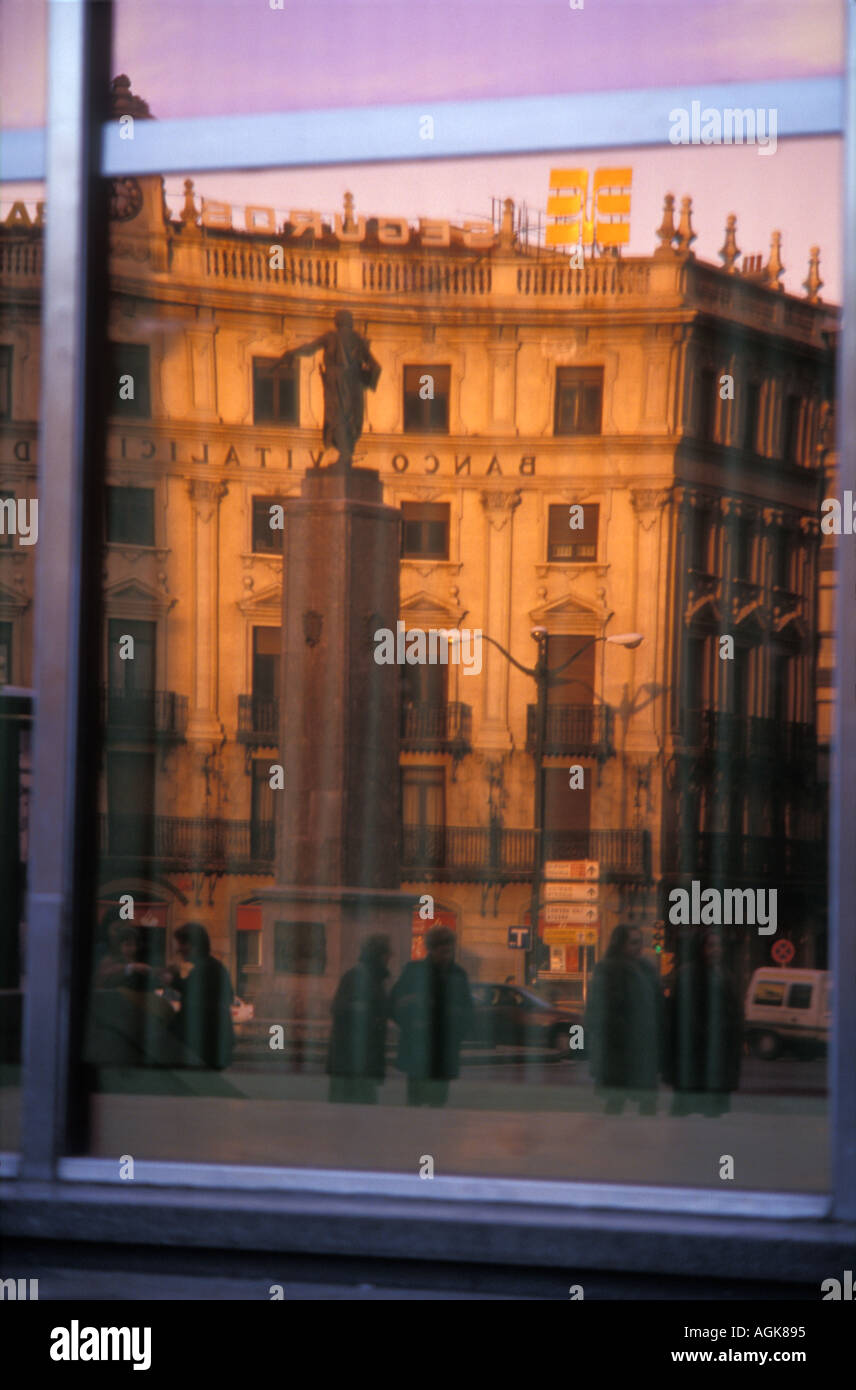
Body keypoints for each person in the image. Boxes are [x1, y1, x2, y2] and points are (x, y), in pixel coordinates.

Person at [269, 310, 381, 469]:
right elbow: (376, 367)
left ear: (338, 322)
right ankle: (346, 455)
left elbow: (310, 348)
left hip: (335, 382)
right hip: (354, 385)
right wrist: (364, 380)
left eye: (335, 320)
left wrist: (291, 353)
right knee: (349, 419)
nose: (334, 322)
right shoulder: (358, 341)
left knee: (336, 417)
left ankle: (345, 455)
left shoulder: (331, 337)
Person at [390, 925, 474, 1107]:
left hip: (443, 1047)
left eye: (449, 952)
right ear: (432, 949)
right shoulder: (414, 971)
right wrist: (412, 1022)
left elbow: (468, 1011)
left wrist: (456, 1032)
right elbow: (395, 1004)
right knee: (415, 1102)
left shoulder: (458, 975)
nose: (446, 956)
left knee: (438, 1102)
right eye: (442, 951)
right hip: (418, 1045)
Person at [584, 923, 663, 1115]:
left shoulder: (646, 969)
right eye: (633, 943)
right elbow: (599, 1010)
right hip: (618, 1049)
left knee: (646, 1105)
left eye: (640, 943)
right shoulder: (608, 970)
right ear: (620, 944)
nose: (638, 947)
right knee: (615, 1104)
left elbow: (657, 1005)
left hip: (643, 1048)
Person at [665, 929, 743, 1117]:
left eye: (718, 946)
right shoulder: (688, 975)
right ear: (700, 949)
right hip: (694, 1055)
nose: (715, 950)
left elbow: (734, 1013)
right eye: (710, 946)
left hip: (717, 1055)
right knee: (687, 1117)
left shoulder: (725, 975)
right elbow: (678, 1016)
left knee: (712, 1118)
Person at [327, 934, 392, 1104]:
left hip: (356, 1061)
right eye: (388, 954)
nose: (390, 958)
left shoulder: (371, 978)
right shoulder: (361, 978)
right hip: (354, 1062)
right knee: (357, 1112)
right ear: (381, 955)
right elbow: (340, 1010)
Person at [166, 922, 234, 1070]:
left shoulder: (207, 968)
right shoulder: (213, 966)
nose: (178, 949)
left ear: (194, 945)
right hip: (212, 1044)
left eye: (182, 944)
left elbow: (194, 996)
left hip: (205, 1045)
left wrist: (173, 980)